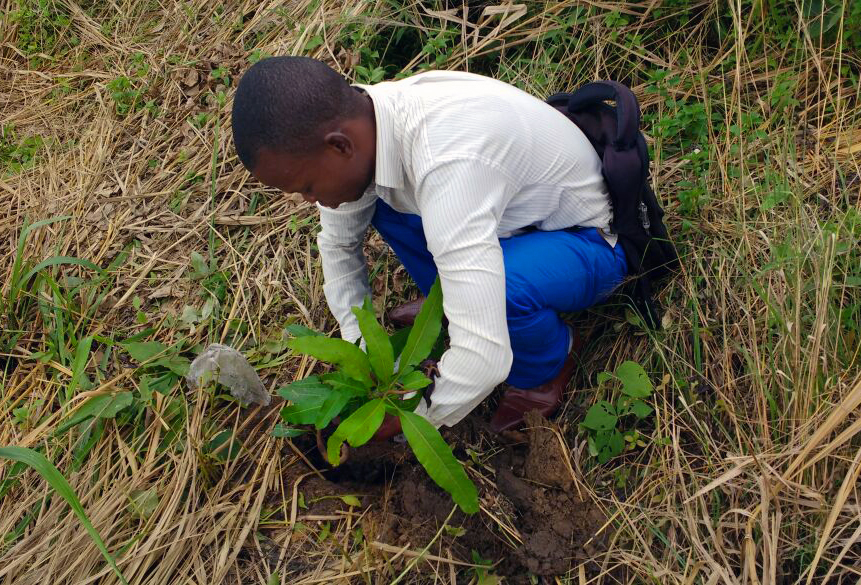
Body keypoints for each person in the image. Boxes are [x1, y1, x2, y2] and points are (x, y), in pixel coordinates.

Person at [230, 56, 628, 438]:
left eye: (307, 187)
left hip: (586, 241)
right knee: (371, 200)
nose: (309, 201)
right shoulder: (366, 123)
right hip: (508, 221)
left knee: (503, 291)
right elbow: (338, 246)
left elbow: (485, 358)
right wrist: (363, 347)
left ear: (339, 146)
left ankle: (544, 368)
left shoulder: (445, 156)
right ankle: (457, 302)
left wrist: (410, 418)